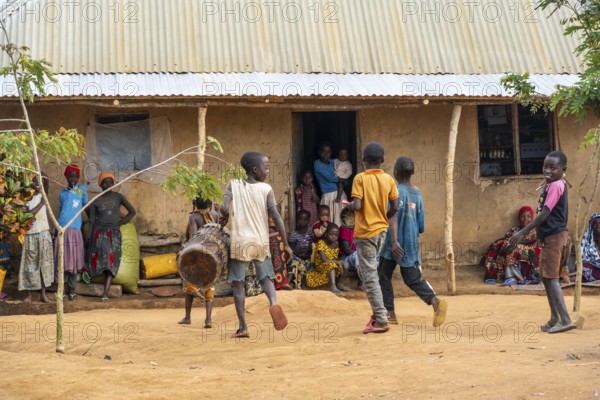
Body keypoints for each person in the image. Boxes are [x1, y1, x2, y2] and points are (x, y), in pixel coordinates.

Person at [220, 151, 293, 338]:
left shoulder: (233, 185)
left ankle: (243, 327)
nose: (268, 171)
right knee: (266, 278)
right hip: (260, 241)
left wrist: (224, 216)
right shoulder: (266, 189)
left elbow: (223, 208)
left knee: (238, 284)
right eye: (266, 167)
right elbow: (276, 217)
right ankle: (273, 302)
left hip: (240, 242)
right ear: (254, 169)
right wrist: (285, 243)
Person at [509, 151, 575, 334]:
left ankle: (566, 319)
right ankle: (555, 318)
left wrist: (522, 232)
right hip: (550, 237)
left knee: (552, 279)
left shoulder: (556, 185)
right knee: (546, 278)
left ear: (563, 170)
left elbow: (544, 214)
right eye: (546, 167)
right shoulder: (552, 183)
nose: (548, 170)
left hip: (555, 237)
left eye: (553, 168)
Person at [378, 156, 447, 327]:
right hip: (410, 243)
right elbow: (421, 225)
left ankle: (433, 301)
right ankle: (392, 312)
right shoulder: (418, 194)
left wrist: (394, 240)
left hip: (392, 242)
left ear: (395, 172)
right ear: (412, 173)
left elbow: (391, 216)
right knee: (408, 277)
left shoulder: (395, 191)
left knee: (384, 276)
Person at [345, 142, 400, 334]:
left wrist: (349, 205)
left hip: (366, 233)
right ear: (382, 160)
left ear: (363, 160)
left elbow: (358, 206)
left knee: (369, 277)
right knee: (369, 272)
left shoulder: (360, 178)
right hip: (381, 232)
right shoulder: (389, 179)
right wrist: (384, 217)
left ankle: (381, 319)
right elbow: (395, 206)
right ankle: (378, 314)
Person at [87, 172, 136, 301]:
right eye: (105, 182)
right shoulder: (95, 200)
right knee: (100, 261)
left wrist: (121, 222)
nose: (108, 185)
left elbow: (132, 212)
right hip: (99, 234)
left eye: (110, 182)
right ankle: (98, 286)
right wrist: (89, 236)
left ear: (113, 184)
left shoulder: (118, 197)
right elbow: (91, 220)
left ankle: (105, 294)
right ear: (100, 184)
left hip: (113, 233)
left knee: (110, 262)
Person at [179, 194, 219, 327]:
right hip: (211, 253)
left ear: (195, 202)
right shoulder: (215, 214)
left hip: (196, 254)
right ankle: (208, 319)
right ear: (209, 202)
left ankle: (187, 317)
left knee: (189, 283)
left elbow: (195, 236)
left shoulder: (193, 217)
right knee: (210, 283)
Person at [483, 206, 541, 285]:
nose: (525, 219)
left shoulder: (535, 230)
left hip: (530, 253)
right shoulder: (514, 230)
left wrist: (513, 244)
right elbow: (506, 240)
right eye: (522, 216)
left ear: (532, 218)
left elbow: (532, 243)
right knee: (497, 248)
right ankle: (491, 276)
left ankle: (513, 278)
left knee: (512, 250)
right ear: (519, 218)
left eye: (528, 216)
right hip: (515, 250)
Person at [54, 164, 88, 300]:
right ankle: (61, 289)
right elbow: (62, 210)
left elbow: (85, 207)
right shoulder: (62, 193)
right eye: (70, 176)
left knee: (73, 260)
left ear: (78, 178)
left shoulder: (81, 190)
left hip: (75, 229)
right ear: (67, 177)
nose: (72, 178)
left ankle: (72, 289)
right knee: (62, 259)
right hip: (62, 228)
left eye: (75, 176)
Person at [19, 174, 54, 303]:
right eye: (34, 181)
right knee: (30, 266)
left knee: (43, 266)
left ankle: (43, 295)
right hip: (30, 236)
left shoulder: (44, 196)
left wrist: (44, 177)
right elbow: (29, 214)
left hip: (44, 234)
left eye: (40, 181)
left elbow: (47, 185)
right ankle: (29, 295)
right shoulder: (25, 199)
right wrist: (42, 203)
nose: (37, 183)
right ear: (29, 184)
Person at [306, 223, 349, 292]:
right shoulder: (321, 243)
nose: (333, 237)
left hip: (332, 263)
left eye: (336, 235)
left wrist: (340, 262)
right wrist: (337, 262)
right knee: (331, 265)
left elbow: (335, 258)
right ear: (326, 234)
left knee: (346, 264)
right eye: (331, 234)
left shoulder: (336, 243)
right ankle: (333, 286)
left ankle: (340, 283)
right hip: (321, 266)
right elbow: (324, 259)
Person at [314, 143, 346, 225]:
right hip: (328, 196)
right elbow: (330, 177)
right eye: (323, 151)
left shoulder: (333, 162)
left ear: (331, 153)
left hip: (340, 194)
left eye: (328, 152)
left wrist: (343, 178)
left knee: (340, 219)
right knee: (328, 221)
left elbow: (342, 170)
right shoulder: (317, 164)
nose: (326, 154)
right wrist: (342, 180)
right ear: (319, 152)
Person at [288, 210, 313, 289]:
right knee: (294, 263)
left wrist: (308, 254)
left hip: (309, 257)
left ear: (308, 220)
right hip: (297, 256)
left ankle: (299, 284)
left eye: (305, 219)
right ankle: (287, 283)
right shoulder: (294, 234)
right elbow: (291, 249)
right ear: (297, 220)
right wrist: (298, 254)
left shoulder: (311, 232)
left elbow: (314, 245)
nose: (302, 221)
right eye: (300, 219)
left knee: (304, 267)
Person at [339, 220, 363, 291]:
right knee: (358, 255)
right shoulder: (345, 227)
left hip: (358, 258)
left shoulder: (362, 227)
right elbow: (346, 250)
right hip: (346, 258)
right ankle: (361, 283)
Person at [269, 215, 292, 290]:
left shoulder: (278, 230)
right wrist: (277, 233)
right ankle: (277, 283)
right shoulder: (265, 228)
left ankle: (282, 282)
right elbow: (264, 236)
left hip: (278, 253)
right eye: (269, 217)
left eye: (272, 217)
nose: (271, 220)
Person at [581, 214, 600, 282]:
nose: (598, 226)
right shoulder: (586, 244)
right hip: (593, 271)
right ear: (591, 226)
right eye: (596, 224)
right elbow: (582, 260)